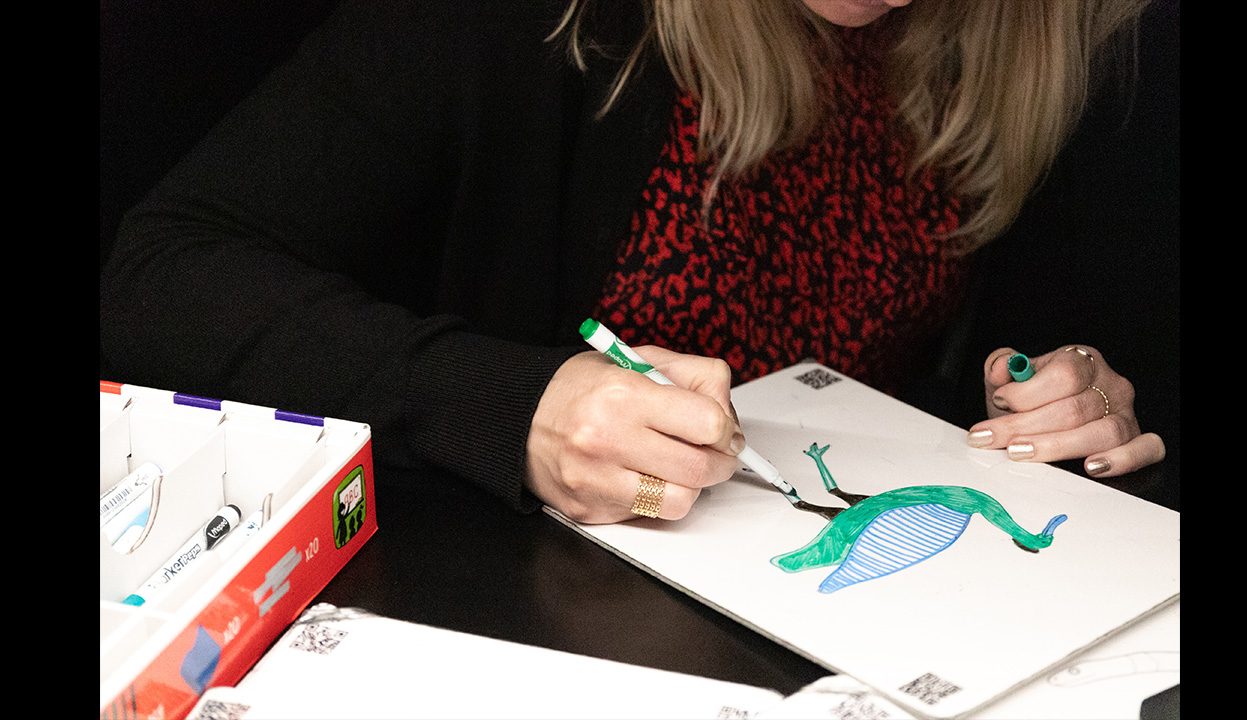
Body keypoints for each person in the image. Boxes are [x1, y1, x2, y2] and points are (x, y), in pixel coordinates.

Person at [100, 0, 1169, 525]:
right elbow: (162, 271)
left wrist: (1063, 395)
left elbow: (1030, 342)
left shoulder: (1038, 36)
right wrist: (512, 403)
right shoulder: (530, 20)